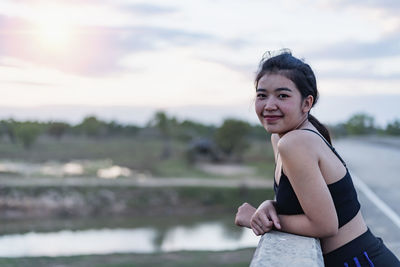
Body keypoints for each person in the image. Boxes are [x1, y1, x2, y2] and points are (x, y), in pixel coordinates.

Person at [234, 49, 400, 266]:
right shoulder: (282, 139)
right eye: (262, 95)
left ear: (306, 103)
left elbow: (325, 225)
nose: (269, 105)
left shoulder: (295, 142)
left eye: (282, 95)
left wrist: (257, 218)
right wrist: (271, 206)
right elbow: (305, 202)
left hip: (359, 261)